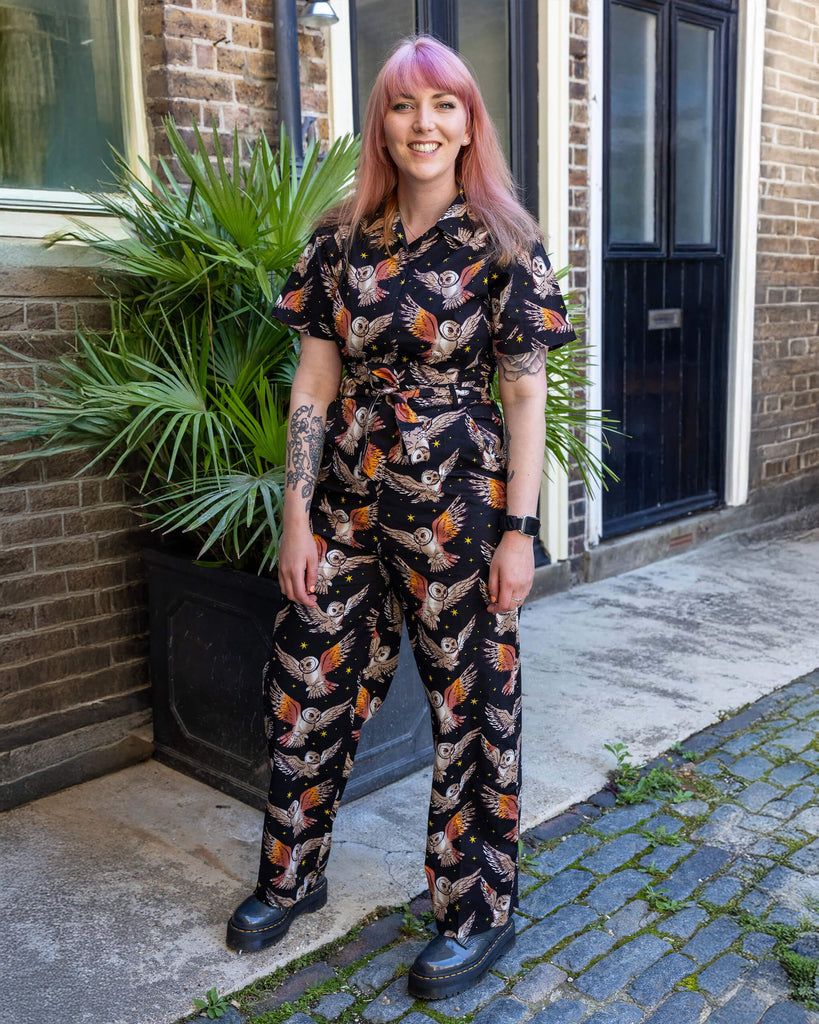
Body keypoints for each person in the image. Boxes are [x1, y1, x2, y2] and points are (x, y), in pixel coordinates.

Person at [225, 35, 577, 999]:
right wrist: (295, 514)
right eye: (402, 106)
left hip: (461, 517)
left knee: (472, 710)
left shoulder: (505, 244)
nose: (423, 124)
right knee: (306, 683)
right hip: (343, 505)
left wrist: (519, 531)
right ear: (380, 122)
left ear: (469, 125)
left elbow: (524, 398)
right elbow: (312, 383)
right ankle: (291, 875)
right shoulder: (341, 241)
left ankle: (477, 912)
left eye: (444, 106)